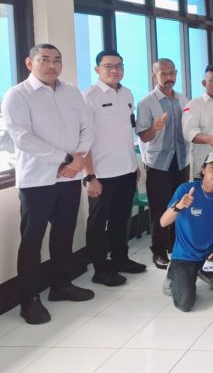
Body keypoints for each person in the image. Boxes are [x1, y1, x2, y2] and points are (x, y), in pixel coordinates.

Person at [2, 44, 95, 325]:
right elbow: (22, 138)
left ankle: (61, 285)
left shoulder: (71, 91)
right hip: (37, 181)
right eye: (45, 60)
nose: (52, 65)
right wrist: (66, 158)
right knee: (32, 241)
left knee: (64, 233)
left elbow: (87, 126)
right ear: (30, 63)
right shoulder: (17, 95)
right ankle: (29, 300)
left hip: (70, 177)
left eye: (57, 60)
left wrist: (77, 160)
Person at [82, 50, 146, 287]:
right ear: (97, 69)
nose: (114, 70)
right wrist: (89, 176)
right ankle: (100, 269)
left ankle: (120, 259)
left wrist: (134, 165)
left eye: (119, 66)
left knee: (121, 218)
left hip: (126, 170)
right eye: (108, 66)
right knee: (98, 224)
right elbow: (83, 140)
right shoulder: (89, 96)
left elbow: (126, 134)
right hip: (102, 174)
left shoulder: (126, 93)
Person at [161, 152, 213, 312]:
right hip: (185, 255)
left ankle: (207, 271)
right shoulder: (186, 189)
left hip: (210, 251)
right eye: (212, 168)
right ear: (203, 170)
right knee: (185, 304)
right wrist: (179, 206)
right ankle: (173, 271)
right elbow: (163, 222)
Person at [136, 58, 190, 270]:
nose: (169, 78)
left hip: (182, 161)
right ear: (154, 76)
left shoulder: (183, 99)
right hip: (159, 164)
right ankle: (158, 251)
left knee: (181, 206)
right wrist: (155, 128)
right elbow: (144, 136)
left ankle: (176, 247)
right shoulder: (146, 103)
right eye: (163, 74)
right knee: (159, 209)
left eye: (171, 73)